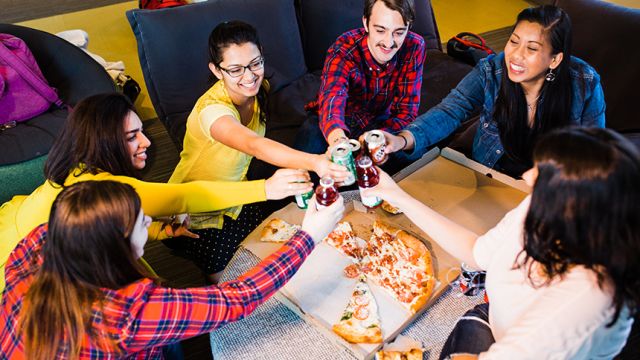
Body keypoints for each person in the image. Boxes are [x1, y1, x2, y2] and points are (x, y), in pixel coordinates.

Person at [364, 127, 639, 358]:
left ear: (574, 209)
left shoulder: (590, 297)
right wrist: (396, 195)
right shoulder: (540, 207)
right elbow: (477, 252)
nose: (527, 177)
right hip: (493, 321)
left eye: (541, 176)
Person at [0, 93, 310, 296]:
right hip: (26, 279)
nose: (147, 142)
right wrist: (265, 189)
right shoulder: (110, 190)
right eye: (132, 136)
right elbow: (187, 195)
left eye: (142, 131)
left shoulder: (78, 165)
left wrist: (159, 229)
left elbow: (104, 228)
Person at [0, 180, 344, 359]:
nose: (149, 220)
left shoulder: (42, 241)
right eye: (141, 223)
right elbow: (236, 299)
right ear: (116, 248)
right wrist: (309, 236)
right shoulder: (124, 316)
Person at [168, 20, 350, 283]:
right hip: (195, 212)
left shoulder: (259, 89)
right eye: (235, 69)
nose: (250, 76)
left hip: (238, 197)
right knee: (239, 285)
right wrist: (317, 162)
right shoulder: (212, 111)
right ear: (216, 71)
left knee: (293, 246)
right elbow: (253, 144)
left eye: (255, 63)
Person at [383, 5, 605, 178]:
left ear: (555, 59)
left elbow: (593, 152)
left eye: (532, 48)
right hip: (491, 175)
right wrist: (401, 140)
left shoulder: (585, 82)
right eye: (514, 42)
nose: (516, 55)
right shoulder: (492, 69)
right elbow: (451, 110)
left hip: (547, 191)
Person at [294, 0, 426, 156]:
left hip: (379, 120)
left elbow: (407, 110)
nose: (389, 43)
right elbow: (332, 98)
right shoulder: (343, 49)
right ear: (366, 23)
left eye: (398, 32)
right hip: (336, 118)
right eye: (380, 30)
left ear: (409, 27)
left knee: (416, 151)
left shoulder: (415, 46)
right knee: (307, 160)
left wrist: (382, 140)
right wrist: (338, 141)